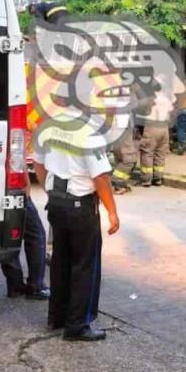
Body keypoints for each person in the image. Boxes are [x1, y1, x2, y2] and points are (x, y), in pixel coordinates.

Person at [33, 142, 120, 342]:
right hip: (80, 207)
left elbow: (38, 163)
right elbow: (100, 177)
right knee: (84, 265)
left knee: (60, 261)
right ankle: (77, 325)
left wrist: (51, 192)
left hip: (57, 203)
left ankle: (57, 317)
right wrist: (112, 211)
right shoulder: (88, 135)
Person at [1, 194, 50, 299]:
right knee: (36, 234)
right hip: (16, 192)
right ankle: (36, 286)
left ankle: (15, 284)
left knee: (7, 234)